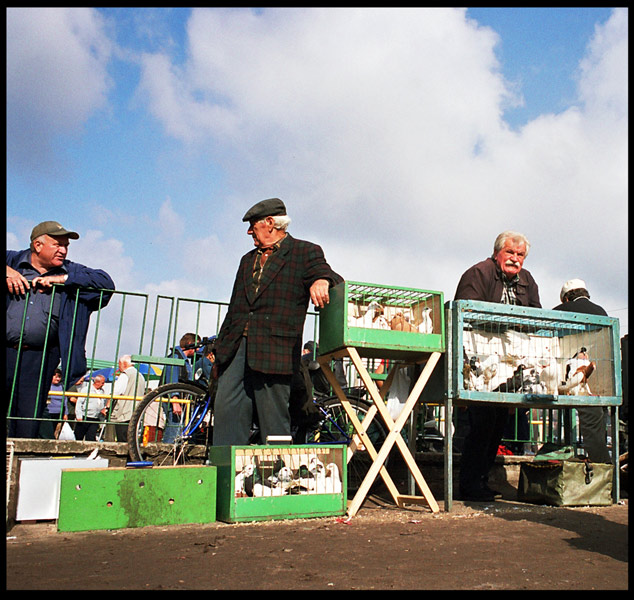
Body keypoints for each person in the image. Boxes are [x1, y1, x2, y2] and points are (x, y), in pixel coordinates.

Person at [213, 198, 343, 446]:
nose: (249, 231)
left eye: (253, 225)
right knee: (227, 411)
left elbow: (330, 274)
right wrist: (220, 351)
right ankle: (226, 477)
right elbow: (234, 309)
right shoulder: (246, 260)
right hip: (236, 347)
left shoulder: (305, 251)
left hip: (275, 351)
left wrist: (321, 280)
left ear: (270, 223)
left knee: (273, 422)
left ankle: (277, 476)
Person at [6, 220, 115, 438]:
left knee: (27, 422)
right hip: (7, 349)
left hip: (40, 357)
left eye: (66, 246)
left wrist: (63, 279)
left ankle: (18, 467)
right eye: (57, 244)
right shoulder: (13, 260)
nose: (63, 250)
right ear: (37, 245)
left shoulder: (70, 270)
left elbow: (106, 283)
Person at [454, 230, 541, 501]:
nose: (515, 259)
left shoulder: (527, 280)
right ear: (497, 253)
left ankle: (481, 481)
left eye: (520, 255)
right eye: (510, 253)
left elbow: (536, 314)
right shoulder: (478, 273)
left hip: (511, 363)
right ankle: (469, 484)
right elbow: (466, 311)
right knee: (480, 424)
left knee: (497, 425)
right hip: (481, 360)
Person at [552, 279, 612, 463]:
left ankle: (600, 470)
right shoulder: (601, 311)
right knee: (598, 422)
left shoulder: (559, 311)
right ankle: (604, 470)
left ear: (566, 299)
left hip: (571, 381)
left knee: (586, 421)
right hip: (601, 381)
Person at [161, 333, 200, 443]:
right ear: (190, 344)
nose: (198, 350)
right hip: (177, 402)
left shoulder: (182, 359)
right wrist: (175, 401)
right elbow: (172, 380)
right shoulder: (175, 358)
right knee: (174, 432)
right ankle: (168, 454)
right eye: (197, 346)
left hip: (182, 402)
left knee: (178, 431)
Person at [106, 355, 146, 442]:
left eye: (119, 364)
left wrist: (107, 406)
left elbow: (115, 392)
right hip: (137, 411)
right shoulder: (141, 376)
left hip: (124, 412)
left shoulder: (125, 375)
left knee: (122, 439)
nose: (119, 367)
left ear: (124, 364)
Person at [75, 374, 108, 441]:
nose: (103, 385)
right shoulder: (86, 390)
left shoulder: (102, 391)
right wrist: (79, 416)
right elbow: (79, 403)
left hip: (95, 418)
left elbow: (103, 403)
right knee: (79, 436)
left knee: (91, 437)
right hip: (85, 416)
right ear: (97, 382)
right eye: (102, 383)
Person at [38, 368, 67, 439]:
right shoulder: (46, 386)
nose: (58, 379)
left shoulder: (62, 387)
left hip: (58, 413)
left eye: (59, 377)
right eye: (56, 376)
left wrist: (66, 413)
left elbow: (65, 401)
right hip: (48, 413)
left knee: (55, 432)